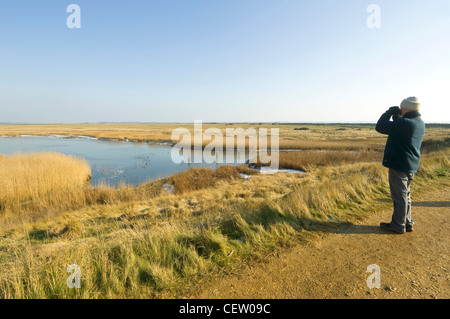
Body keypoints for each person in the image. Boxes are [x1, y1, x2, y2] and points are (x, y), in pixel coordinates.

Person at [375, 96, 425, 234]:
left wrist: (388, 113)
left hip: (399, 165)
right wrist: (398, 118)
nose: (401, 109)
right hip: (410, 165)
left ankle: (398, 224)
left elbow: (380, 127)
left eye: (402, 107)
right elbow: (400, 131)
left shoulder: (406, 123)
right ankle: (407, 222)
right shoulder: (419, 122)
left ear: (407, 108)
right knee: (406, 195)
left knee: (399, 196)